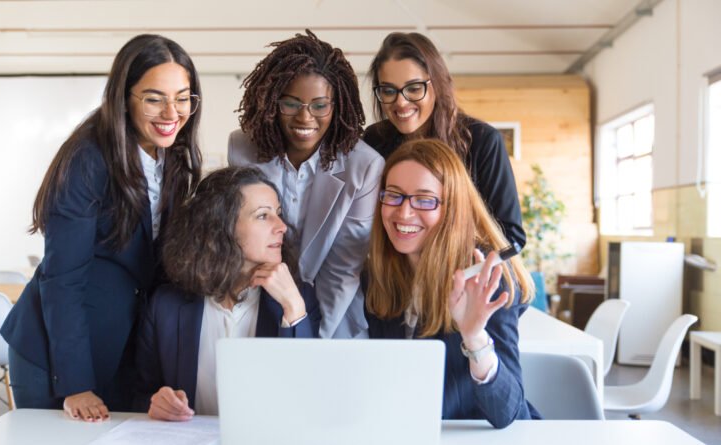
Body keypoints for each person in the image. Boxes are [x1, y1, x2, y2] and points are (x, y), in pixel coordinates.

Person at [0, 34, 203, 422]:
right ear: (124, 98)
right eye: (154, 97)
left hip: (121, 347)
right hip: (56, 356)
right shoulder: (88, 159)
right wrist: (75, 384)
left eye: (183, 97)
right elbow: (63, 279)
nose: (172, 111)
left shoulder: (171, 160)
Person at [365, 138, 539, 428]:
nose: (403, 213)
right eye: (393, 195)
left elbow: (508, 414)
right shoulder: (376, 274)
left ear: (453, 207)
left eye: (424, 200)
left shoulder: (487, 278)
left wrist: (475, 337)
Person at [228, 30, 383, 339]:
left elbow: (342, 269)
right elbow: (238, 239)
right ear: (273, 101)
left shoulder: (364, 166)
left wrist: (309, 337)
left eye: (319, 105)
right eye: (291, 103)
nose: (304, 117)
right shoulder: (242, 148)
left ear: (336, 106)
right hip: (257, 302)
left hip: (334, 320)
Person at [135, 166, 321, 420]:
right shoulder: (165, 305)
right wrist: (155, 403)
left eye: (278, 214)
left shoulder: (299, 300)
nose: (282, 227)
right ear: (219, 227)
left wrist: (294, 309)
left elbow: (308, 402)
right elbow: (141, 393)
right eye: (263, 216)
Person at [364, 32, 526, 249]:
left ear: (437, 85)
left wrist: (453, 272)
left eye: (413, 88)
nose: (400, 102)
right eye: (388, 90)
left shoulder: (482, 141)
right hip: (394, 277)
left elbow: (511, 237)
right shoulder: (374, 141)